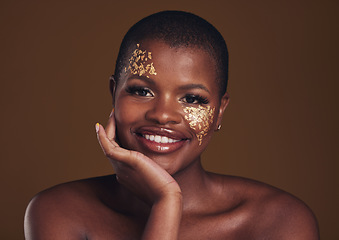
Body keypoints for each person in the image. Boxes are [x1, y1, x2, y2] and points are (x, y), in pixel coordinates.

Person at [24, 11, 319, 239]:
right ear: (114, 92)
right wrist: (166, 205)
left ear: (219, 112)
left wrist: (165, 200)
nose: (163, 115)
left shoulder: (280, 221)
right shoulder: (58, 212)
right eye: (141, 91)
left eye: (192, 98)